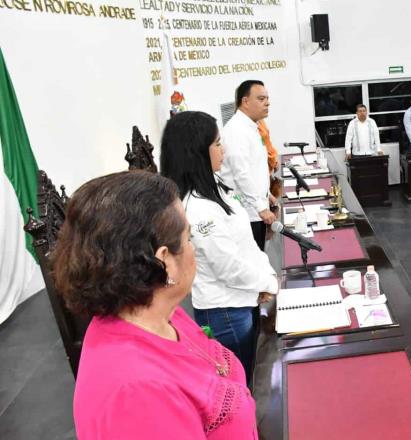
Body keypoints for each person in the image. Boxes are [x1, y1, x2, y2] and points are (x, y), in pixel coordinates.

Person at [52, 171, 260, 439]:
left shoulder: (161, 313)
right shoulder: (137, 391)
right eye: (188, 239)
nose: (193, 249)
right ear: (163, 260)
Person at [160, 110, 278, 384]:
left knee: (250, 373)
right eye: (216, 144)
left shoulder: (214, 187)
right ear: (197, 152)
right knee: (241, 383)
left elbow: (245, 246)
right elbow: (227, 266)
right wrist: (268, 283)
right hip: (225, 311)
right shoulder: (198, 208)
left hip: (240, 299)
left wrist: (262, 280)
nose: (222, 150)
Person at [220, 80, 275, 251]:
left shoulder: (251, 127)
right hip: (247, 212)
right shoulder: (236, 130)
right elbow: (241, 173)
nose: (267, 103)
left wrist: (267, 195)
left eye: (267, 98)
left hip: (255, 207)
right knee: (254, 261)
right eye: (261, 98)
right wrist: (261, 207)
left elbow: (255, 167)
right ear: (245, 101)